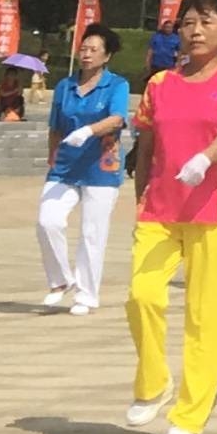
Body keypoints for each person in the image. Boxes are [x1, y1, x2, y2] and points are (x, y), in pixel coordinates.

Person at [124, 0, 217, 434]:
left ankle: (189, 415)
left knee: (204, 317)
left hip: (212, 211)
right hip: (160, 209)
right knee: (141, 296)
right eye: (187, 23)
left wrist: (205, 160)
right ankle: (153, 381)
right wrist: (142, 192)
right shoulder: (160, 83)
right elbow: (145, 144)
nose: (195, 30)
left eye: (206, 21)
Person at [36, 27, 134, 312]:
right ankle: (60, 280)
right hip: (65, 166)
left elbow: (117, 119)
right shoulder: (65, 86)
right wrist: (52, 157)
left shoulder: (116, 85)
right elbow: (55, 126)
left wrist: (89, 131)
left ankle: (86, 295)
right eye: (83, 48)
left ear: (107, 55)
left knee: (93, 233)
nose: (86, 54)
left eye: (93, 49)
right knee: (47, 220)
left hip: (101, 167)